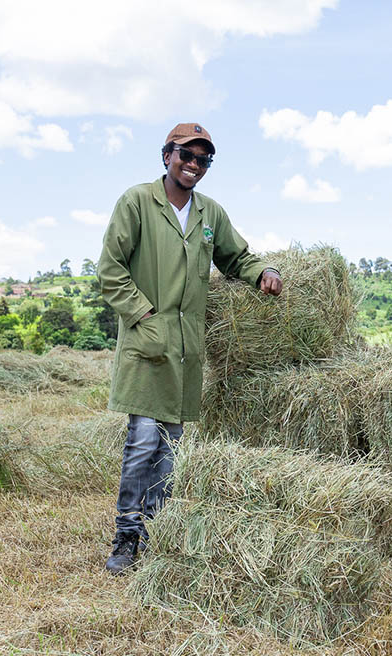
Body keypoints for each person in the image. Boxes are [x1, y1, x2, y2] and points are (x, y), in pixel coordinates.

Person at [97, 122, 282, 574]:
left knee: (172, 446)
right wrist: (143, 316)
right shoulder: (137, 202)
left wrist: (263, 272)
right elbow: (110, 269)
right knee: (142, 441)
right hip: (147, 345)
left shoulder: (209, 214)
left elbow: (236, 256)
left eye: (204, 160)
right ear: (167, 156)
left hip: (185, 350)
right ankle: (126, 537)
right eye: (186, 155)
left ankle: (157, 533)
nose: (194, 165)